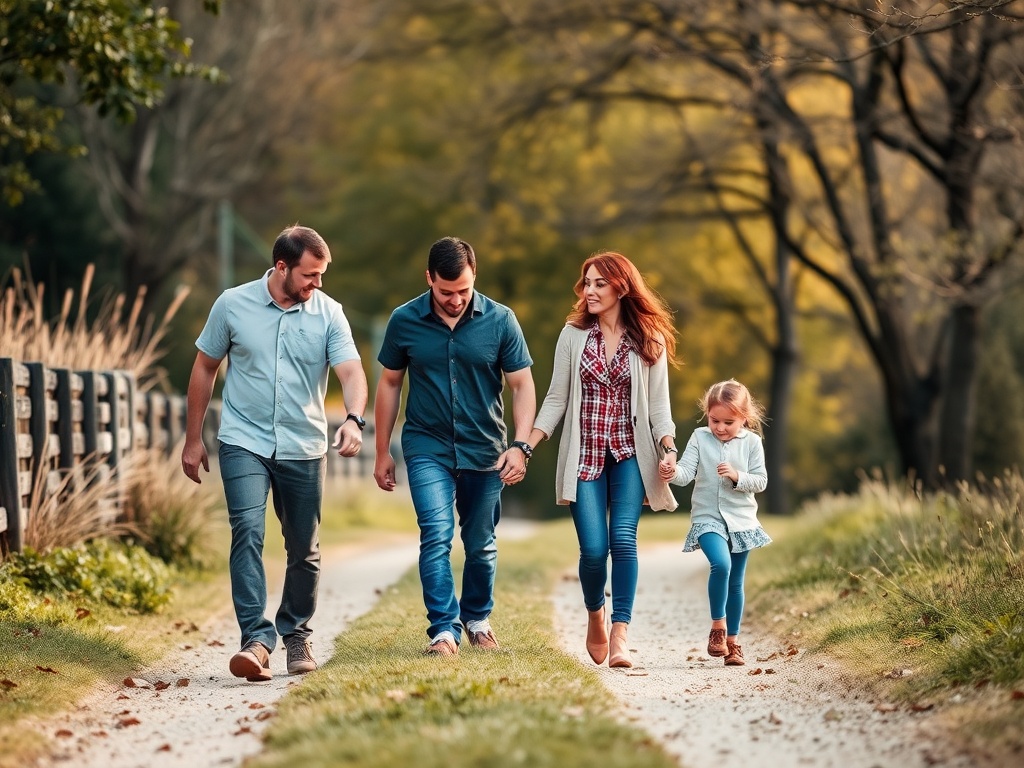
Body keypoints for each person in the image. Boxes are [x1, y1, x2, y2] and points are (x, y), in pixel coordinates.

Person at [181, 225, 368, 682]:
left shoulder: (328, 314)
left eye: (322, 275)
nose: (317, 284)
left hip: (304, 445)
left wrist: (353, 418)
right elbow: (205, 368)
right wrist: (192, 438)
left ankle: (297, 633)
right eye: (310, 275)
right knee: (247, 530)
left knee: (304, 548)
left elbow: (352, 372)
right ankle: (256, 640)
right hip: (244, 439)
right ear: (281, 267)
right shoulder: (232, 304)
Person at [373, 236, 535, 657]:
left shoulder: (501, 320)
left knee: (480, 542)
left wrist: (520, 445)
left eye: (463, 290)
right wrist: (381, 450)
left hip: (485, 449)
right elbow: (390, 383)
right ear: (429, 279)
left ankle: (478, 619)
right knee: (436, 535)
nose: (455, 299)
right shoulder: (404, 320)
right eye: (446, 292)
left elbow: (522, 385)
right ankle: (443, 631)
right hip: (427, 445)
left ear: (474, 276)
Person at [525, 251, 679, 669]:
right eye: (587, 283)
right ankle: (596, 613)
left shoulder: (649, 340)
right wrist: (527, 445)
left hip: (630, 453)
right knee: (593, 550)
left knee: (622, 540)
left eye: (598, 284)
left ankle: (620, 634)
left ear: (621, 287)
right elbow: (556, 398)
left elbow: (659, 409)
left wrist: (667, 448)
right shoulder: (573, 335)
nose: (589, 291)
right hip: (585, 455)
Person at [659, 379, 770, 667]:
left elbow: (761, 481)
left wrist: (736, 476)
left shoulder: (752, 443)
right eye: (714, 420)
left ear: (743, 418)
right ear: (707, 415)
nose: (720, 428)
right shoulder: (699, 437)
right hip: (708, 517)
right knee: (721, 564)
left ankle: (733, 643)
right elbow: (686, 472)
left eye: (728, 422)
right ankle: (717, 628)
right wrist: (671, 472)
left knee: (736, 581)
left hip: (742, 520)